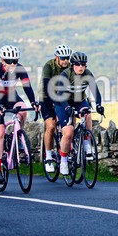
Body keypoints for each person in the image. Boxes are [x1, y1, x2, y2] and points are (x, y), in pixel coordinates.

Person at [0, 45, 40, 184]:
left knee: (23, 108)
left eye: (15, 60)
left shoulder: (19, 68)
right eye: (9, 61)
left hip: (10, 97)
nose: (13, 64)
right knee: (0, 132)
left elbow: (27, 87)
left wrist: (34, 102)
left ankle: (17, 135)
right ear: (3, 60)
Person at [51, 51, 104, 176]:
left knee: (88, 114)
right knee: (68, 133)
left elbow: (95, 91)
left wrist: (99, 105)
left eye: (83, 64)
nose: (81, 67)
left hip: (79, 101)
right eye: (78, 64)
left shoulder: (87, 74)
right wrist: (68, 108)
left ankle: (86, 143)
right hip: (63, 103)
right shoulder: (66, 74)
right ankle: (63, 159)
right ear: (73, 65)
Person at [39, 44, 71, 173]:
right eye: (63, 58)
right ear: (56, 57)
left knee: (70, 123)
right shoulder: (49, 66)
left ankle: (67, 150)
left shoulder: (70, 66)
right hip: (46, 97)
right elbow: (47, 86)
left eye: (67, 58)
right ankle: (48, 157)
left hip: (62, 97)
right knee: (51, 126)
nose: (65, 61)